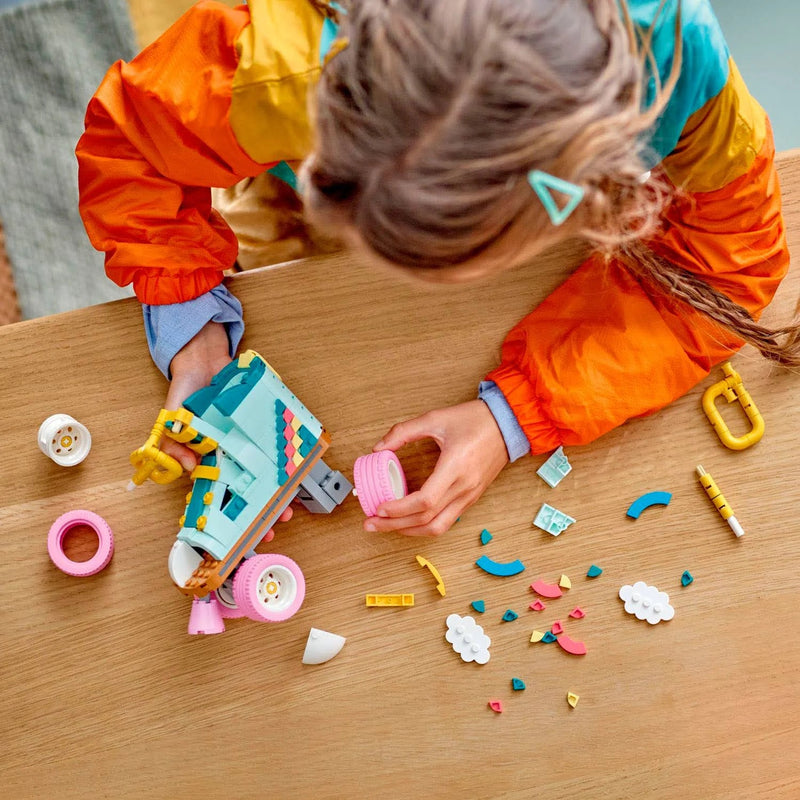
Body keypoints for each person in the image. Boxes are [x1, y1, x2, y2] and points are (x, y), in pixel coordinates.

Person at [77, 0, 797, 538]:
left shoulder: (681, 74)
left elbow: (724, 268)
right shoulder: (269, 62)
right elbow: (137, 148)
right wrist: (196, 328)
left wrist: (514, 414)